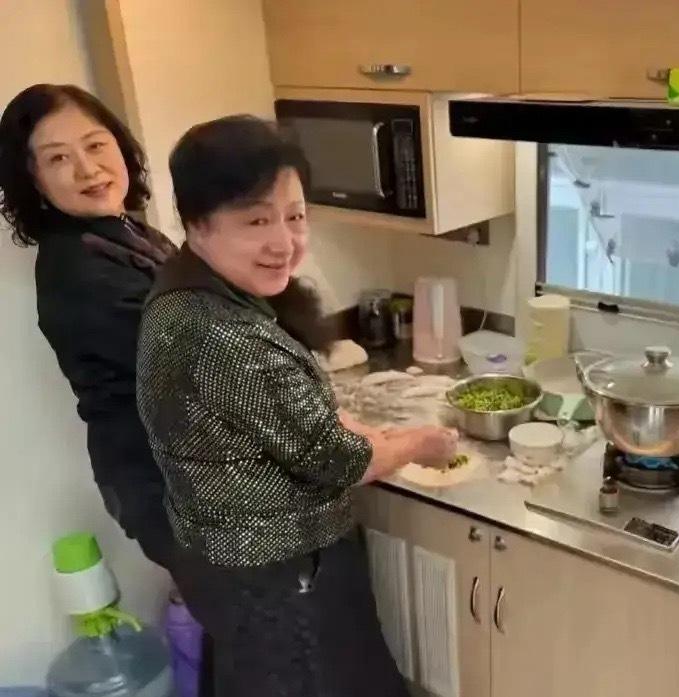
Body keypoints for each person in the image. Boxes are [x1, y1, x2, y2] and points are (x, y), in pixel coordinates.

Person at [136, 114, 457, 697]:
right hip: (276, 574)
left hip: (226, 563)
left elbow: (274, 424)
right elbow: (340, 462)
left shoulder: (185, 291)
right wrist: (422, 442)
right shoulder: (225, 336)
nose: (284, 243)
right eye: (256, 220)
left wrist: (344, 424)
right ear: (197, 222)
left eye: (295, 216)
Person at [0, 84, 177, 568]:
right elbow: (191, 364)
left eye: (96, 145)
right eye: (58, 158)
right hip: (167, 484)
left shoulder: (123, 231)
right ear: (34, 180)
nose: (88, 169)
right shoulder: (80, 269)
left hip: (183, 471)